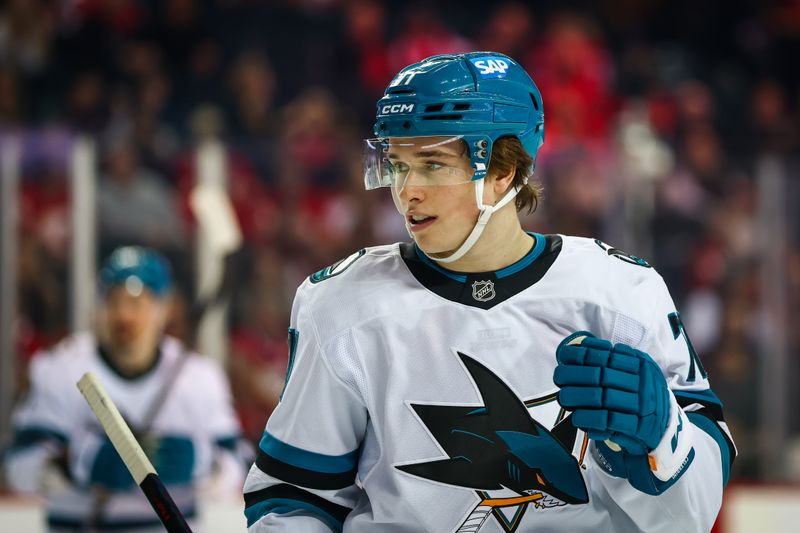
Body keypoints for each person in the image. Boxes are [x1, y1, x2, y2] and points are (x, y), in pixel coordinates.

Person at [242, 52, 736, 532]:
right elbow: (295, 497)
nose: (406, 190)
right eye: (397, 163)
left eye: (432, 164)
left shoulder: (622, 292)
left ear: (504, 171)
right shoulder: (341, 305)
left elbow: (690, 517)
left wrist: (664, 437)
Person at [4, 246, 247, 532]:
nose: (124, 315)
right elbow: (17, 466)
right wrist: (71, 464)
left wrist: (204, 463)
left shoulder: (199, 378)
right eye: (114, 300)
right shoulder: (60, 370)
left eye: (137, 304)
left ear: (163, 310)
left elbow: (240, 466)